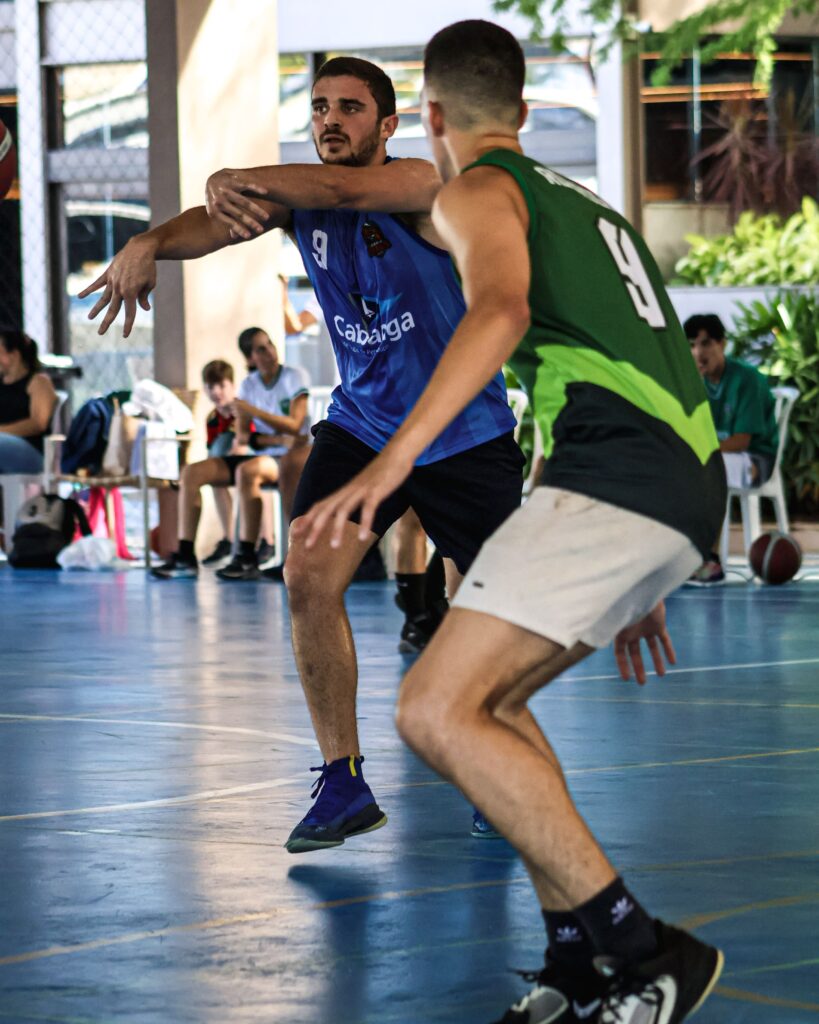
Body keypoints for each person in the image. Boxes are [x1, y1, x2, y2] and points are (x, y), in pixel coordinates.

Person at [297, 21, 727, 1024]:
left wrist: (394, 458)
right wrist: (641, 561)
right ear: (524, 112)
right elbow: (616, 364)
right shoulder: (586, 205)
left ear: (429, 118)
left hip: (619, 474)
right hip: (670, 480)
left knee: (431, 709)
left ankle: (643, 950)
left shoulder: (475, 190)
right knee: (490, 704)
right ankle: (575, 958)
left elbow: (498, 314)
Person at [79, 55, 524, 845]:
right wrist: (150, 241)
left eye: (350, 108)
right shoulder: (300, 204)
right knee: (307, 575)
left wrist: (237, 174)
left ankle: (490, 764)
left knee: (482, 608)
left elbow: (339, 190)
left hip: (460, 429)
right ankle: (342, 780)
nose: (330, 120)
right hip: (363, 426)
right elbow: (216, 224)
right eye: (319, 107)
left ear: (387, 124)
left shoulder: (423, 184)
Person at [150, 330, 310, 581]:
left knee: (248, 470)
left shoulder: (293, 376)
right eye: (260, 349)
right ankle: (185, 556)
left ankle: (247, 556)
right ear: (250, 358)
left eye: (269, 344)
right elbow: (245, 437)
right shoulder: (248, 385)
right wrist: (276, 439)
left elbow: (296, 427)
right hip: (265, 453)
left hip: (290, 458)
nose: (269, 351)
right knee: (191, 472)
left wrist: (255, 413)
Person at [684, 313, 778, 585]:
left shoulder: (746, 379)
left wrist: (701, 453)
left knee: (711, 468)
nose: (698, 352)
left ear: (722, 344)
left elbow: (742, 441)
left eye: (705, 343)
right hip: (719, 457)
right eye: (691, 345)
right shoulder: (695, 383)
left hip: (755, 460)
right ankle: (680, 556)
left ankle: (710, 559)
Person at [198, 358, 248, 568]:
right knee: (215, 481)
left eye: (221, 385)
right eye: (211, 387)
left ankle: (263, 540)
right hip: (226, 464)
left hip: (248, 462)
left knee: (250, 479)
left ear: (232, 386)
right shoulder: (212, 418)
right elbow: (213, 448)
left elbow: (248, 442)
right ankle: (229, 538)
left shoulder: (243, 410)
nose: (216, 391)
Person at [0, 327, 58, 474]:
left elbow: (39, 423)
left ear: (14, 355)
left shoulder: (38, 382)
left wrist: (2, 431)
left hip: (31, 452)